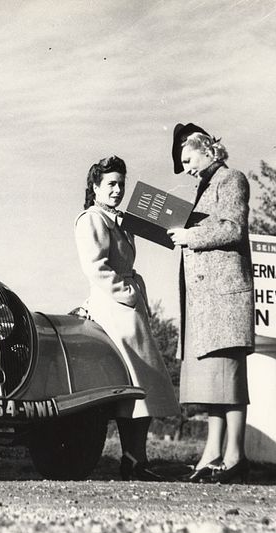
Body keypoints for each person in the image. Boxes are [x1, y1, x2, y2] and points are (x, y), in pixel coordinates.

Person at [74, 155, 180, 481]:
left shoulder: (118, 220)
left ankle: (136, 460)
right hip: (113, 307)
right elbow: (96, 268)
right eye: (111, 184)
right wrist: (128, 293)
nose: (118, 190)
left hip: (129, 309)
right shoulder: (90, 219)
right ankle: (133, 461)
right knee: (133, 386)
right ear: (95, 188)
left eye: (121, 184)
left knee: (143, 386)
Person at [167, 125, 255, 483]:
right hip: (207, 302)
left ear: (206, 149)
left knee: (228, 382)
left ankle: (235, 457)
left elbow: (234, 228)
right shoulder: (204, 187)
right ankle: (212, 454)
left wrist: (189, 236)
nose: (186, 167)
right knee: (213, 385)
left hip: (223, 298)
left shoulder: (231, 178)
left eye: (188, 159)